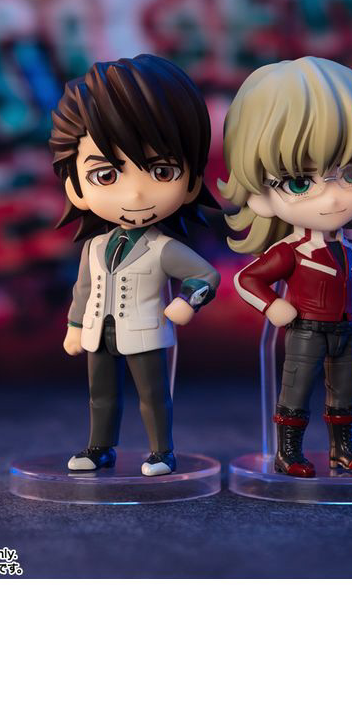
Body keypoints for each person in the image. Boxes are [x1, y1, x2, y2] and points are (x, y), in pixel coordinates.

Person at [219, 56, 352, 477]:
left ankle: (343, 448)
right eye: (299, 182)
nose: (331, 198)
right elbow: (248, 278)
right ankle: (289, 452)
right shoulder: (292, 251)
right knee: (296, 390)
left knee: (344, 392)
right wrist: (273, 306)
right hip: (306, 331)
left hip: (347, 330)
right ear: (260, 196)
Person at [50, 54, 220, 476]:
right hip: (98, 332)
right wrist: (75, 326)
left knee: (152, 396)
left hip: (144, 331)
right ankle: (99, 447)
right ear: (75, 187)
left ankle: (161, 452)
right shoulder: (94, 247)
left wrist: (188, 301)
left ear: (191, 183)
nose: (136, 195)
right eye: (107, 176)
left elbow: (205, 275)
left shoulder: (163, 247)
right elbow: (83, 290)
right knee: (101, 395)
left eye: (161, 171)